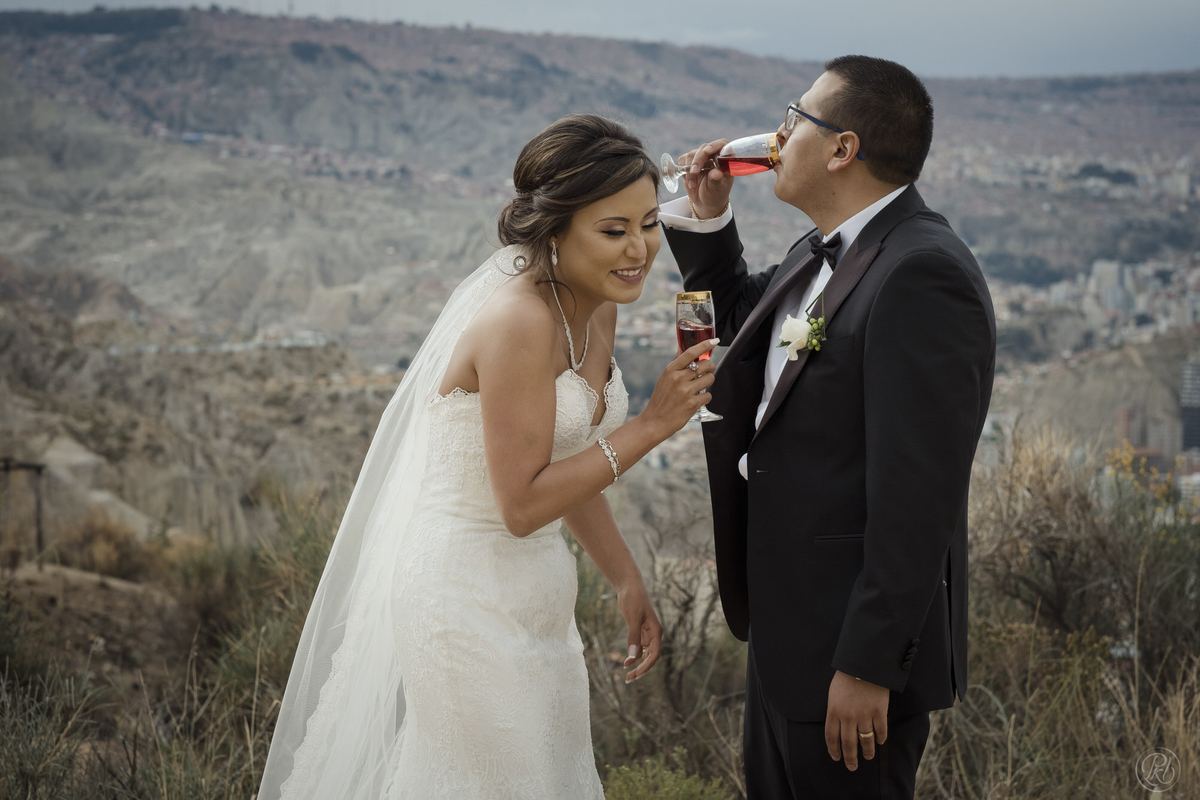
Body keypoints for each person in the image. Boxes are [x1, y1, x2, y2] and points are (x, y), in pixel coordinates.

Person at [257, 114, 719, 800]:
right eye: (614, 230)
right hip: (460, 595)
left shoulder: (598, 304)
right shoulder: (519, 322)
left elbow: (568, 456)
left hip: (538, 597)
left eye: (649, 223)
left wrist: (625, 579)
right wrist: (652, 425)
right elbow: (523, 504)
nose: (640, 250)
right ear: (554, 231)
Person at [660, 55, 997, 798]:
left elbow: (920, 496)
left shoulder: (922, 273)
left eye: (794, 117)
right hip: (789, 647)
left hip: (851, 668)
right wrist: (711, 220)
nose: (775, 134)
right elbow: (745, 337)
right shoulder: (824, 250)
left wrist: (869, 664)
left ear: (843, 148)